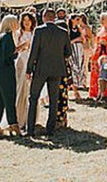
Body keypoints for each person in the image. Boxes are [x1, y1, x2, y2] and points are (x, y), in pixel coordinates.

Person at [26, 9, 72, 137]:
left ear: (44, 17)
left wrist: (29, 69)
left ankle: (30, 130)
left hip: (41, 69)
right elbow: (69, 52)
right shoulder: (63, 32)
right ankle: (50, 129)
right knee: (53, 99)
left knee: (33, 98)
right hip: (57, 69)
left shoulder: (39, 30)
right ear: (54, 17)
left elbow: (33, 52)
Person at [0, 15, 22, 136]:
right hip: (6, 70)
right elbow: (9, 55)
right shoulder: (8, 37)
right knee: (9, 96)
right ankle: (13, 124)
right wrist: (19, 49)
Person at [15, 12, 38, 129]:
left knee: (31, 91)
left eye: (28, 19)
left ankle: (30, 117)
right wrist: (24, 45)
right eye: (24, 20)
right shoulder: (18, 34)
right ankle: (20, 117)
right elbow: (14, 50)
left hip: (32, 63)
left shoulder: (36, 33)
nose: (26, 22)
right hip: (21, 62)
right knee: (21, 89)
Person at [89, 13, 107, 100]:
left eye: (104, 19)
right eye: (102, 19)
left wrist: (106, 43)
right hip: (97, 53)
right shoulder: (100, 30)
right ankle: (95, 92)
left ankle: (106, 92)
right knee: (95, 73)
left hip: (106, 53)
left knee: (105, 72)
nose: (102, 21)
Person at [68, 13, 85, 100]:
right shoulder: (68, 30)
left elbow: (83, 39)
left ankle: (75, 89)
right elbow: (68, 42)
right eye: (77, 19)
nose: (78, 21)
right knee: (73, 69)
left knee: (79, 69)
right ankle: (75, 91)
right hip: (72, 50)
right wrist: (76, 40)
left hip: (79, 50)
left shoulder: (78, 29)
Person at [79, 13, 94, 89]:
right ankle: (79, 81)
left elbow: (91, 38)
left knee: (85, 64)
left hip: (86, 47)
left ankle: (84, 82)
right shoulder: (78, 27)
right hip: (79, 47)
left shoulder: (87, 28)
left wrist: (85, 38)